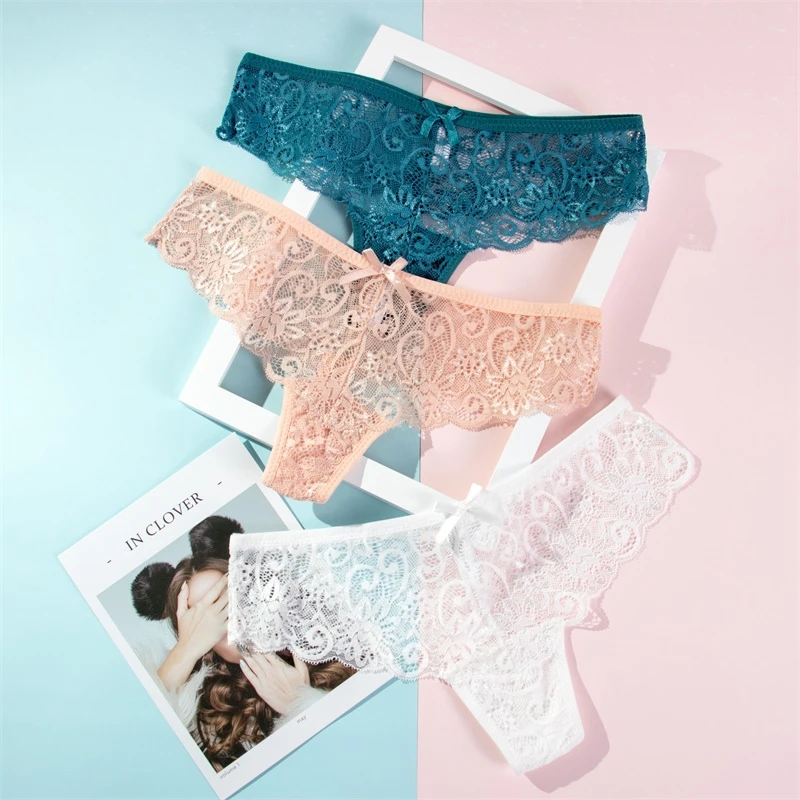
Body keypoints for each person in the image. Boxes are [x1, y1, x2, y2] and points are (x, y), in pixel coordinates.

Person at [131, 516, 354, 770]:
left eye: (232, 602)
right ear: (206, 649)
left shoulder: (348, 637)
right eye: (210, 625)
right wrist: (185, 651)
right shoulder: (213, 730)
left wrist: (302, 703)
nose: (236, 626)